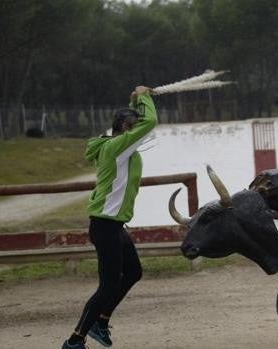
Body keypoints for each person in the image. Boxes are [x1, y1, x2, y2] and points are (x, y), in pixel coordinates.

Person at [62, 86, 158, 349]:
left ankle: (101, 322)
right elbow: (151, 121)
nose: (142, 133)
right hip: (105, 226)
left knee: (133, 271)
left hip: (114, 226)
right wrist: (146, 97)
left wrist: (137, 99)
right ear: (127, 130)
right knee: (107, 286)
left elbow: (139, 121)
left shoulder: (118, 144)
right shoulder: (118, 147)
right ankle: (75, 340)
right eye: (135, 129)